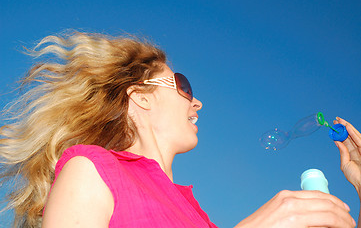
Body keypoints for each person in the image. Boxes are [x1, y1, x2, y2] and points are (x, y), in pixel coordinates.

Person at [0, 31, 359, 228]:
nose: (197, 102)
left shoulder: (197, 214)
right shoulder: (91, 168)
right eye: (183, 85)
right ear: (140, 97)